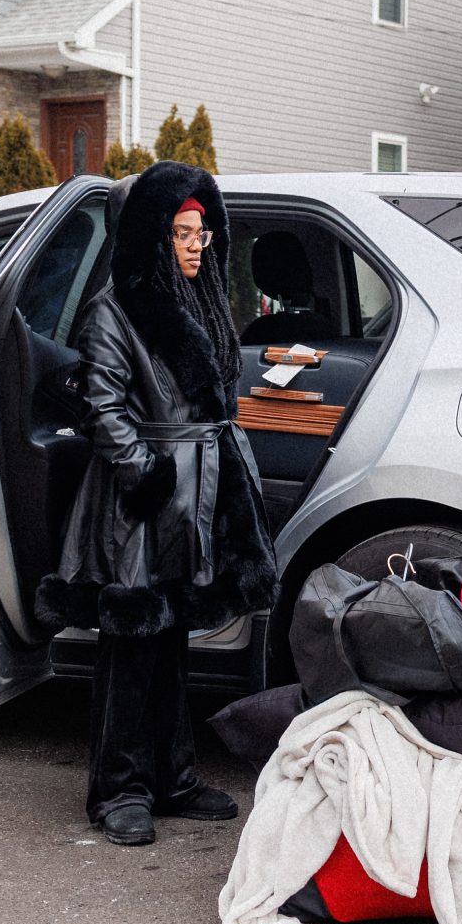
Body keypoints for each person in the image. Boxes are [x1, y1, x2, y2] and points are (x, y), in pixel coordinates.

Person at [35, 160, 279, 847]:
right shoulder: (114, 309)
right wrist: (146, 474)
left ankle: (172, 778)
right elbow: (102, 406)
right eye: (182, 233)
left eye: (203, 233)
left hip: (194, 491)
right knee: (132, 646)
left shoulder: (199, 301)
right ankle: (119, 790)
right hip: (139, 501)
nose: (196, 246)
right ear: (152, 235)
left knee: (172, 641)